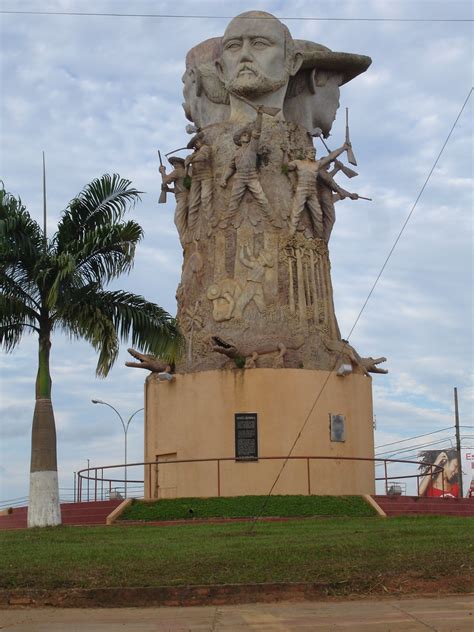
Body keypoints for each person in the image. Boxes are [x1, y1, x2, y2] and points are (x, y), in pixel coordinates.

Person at [215, 10, 303, 122]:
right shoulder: (205, 139)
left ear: (293, 63)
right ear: (221, 70)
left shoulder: (298, 137)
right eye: (233, 45)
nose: (244, 54)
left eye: (259, 43)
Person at [220, 106, 275, 228]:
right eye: (244, 135)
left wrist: (259, 115)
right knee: (234, 201)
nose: (247, 136)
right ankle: (226, 221)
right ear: (239, 139)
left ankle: (272, 219)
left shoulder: (252, 147)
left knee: (262, 198)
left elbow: (257, 132)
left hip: (251, 176)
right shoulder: (236, 153)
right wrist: (224, 178)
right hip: (240, 177)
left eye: (247, 135)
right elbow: (231, 167)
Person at [285, 144, 350, 238]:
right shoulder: (298, 163)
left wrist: (343, 148)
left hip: (312, 192)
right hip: (301, 190)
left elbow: (331, 157)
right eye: (311, 152)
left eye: (314, 153)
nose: (313, 154)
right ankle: (289, 236)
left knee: (318, 214)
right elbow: (287, 167)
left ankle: (319, 239)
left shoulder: (317, 164)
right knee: (296, 212)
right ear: (306, 154)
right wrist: (285, 155)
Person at [185, 134, 214, 238]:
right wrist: (187, 164)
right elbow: (189, 172)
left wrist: (191, 159)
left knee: (205, 198)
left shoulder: (205, 148)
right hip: (196, 178)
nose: (196, 144)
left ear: (201, 141)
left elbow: (204, 157)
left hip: (206, 176)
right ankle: (191, 229)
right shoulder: (194, 154)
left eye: (197, 142)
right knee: (193, 203)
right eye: (195, 144)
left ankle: (211, 224)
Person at [159, 157, 189, 247]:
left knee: (178, 220)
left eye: (176, 163)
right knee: (183, 219)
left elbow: (166, 180)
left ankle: (184, 240)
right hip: (185, 197)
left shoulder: (178, 171)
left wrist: (162, 171)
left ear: (180, 164)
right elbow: (181, 189)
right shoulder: (184, 172)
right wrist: (168, 190)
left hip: (183, 199)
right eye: (173, 164)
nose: (174, 165)